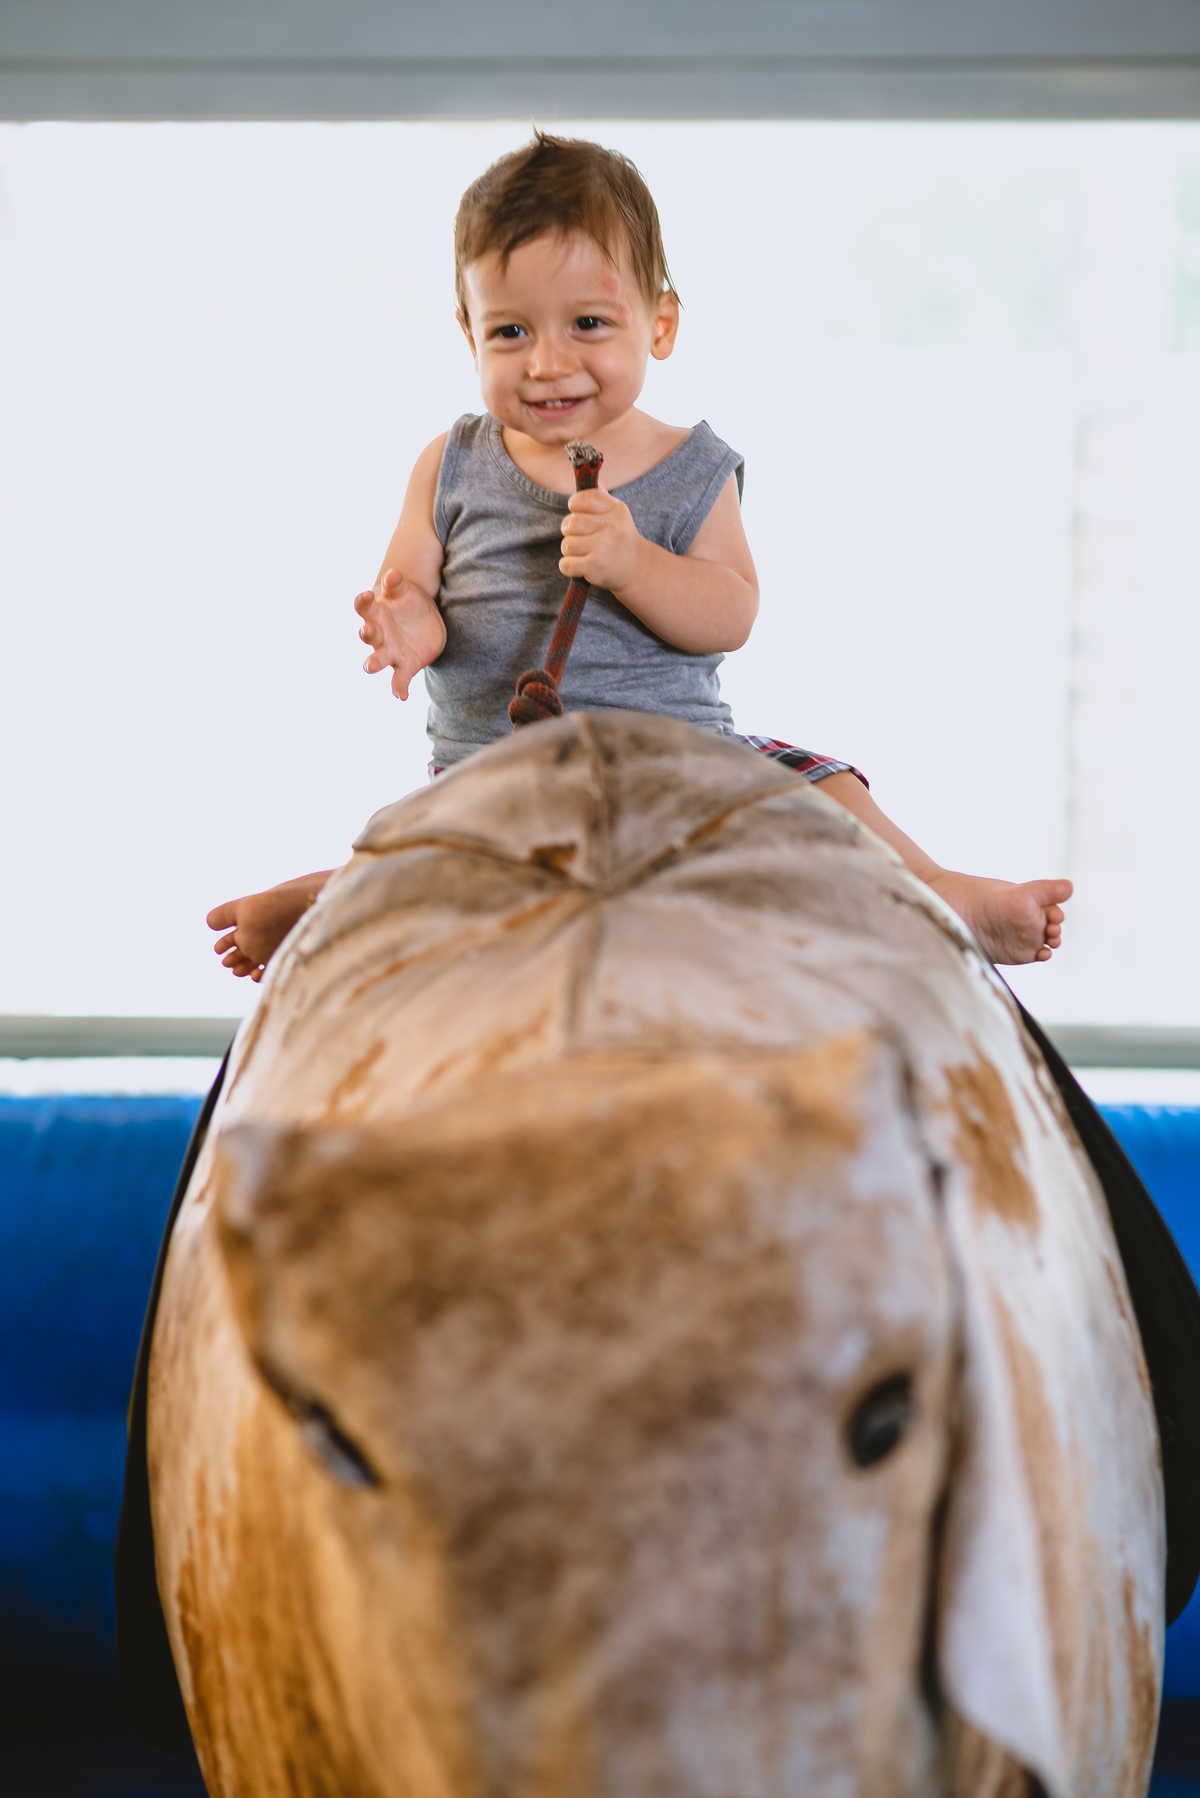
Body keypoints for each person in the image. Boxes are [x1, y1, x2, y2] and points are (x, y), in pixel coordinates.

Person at [208, 133, 1070, 982]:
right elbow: (414, 592)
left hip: (679, 765)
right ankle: (326, 898)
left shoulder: (692, 468)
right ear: (469, 335)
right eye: (510, 331)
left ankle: (937, 893)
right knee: (425, 852)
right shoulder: (451, 463)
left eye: (588, 324)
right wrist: (407, 624)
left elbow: (731, 612)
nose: (548, 363)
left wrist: (635, 565)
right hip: (496, 776)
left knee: (825, 789)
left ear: (660, 324)